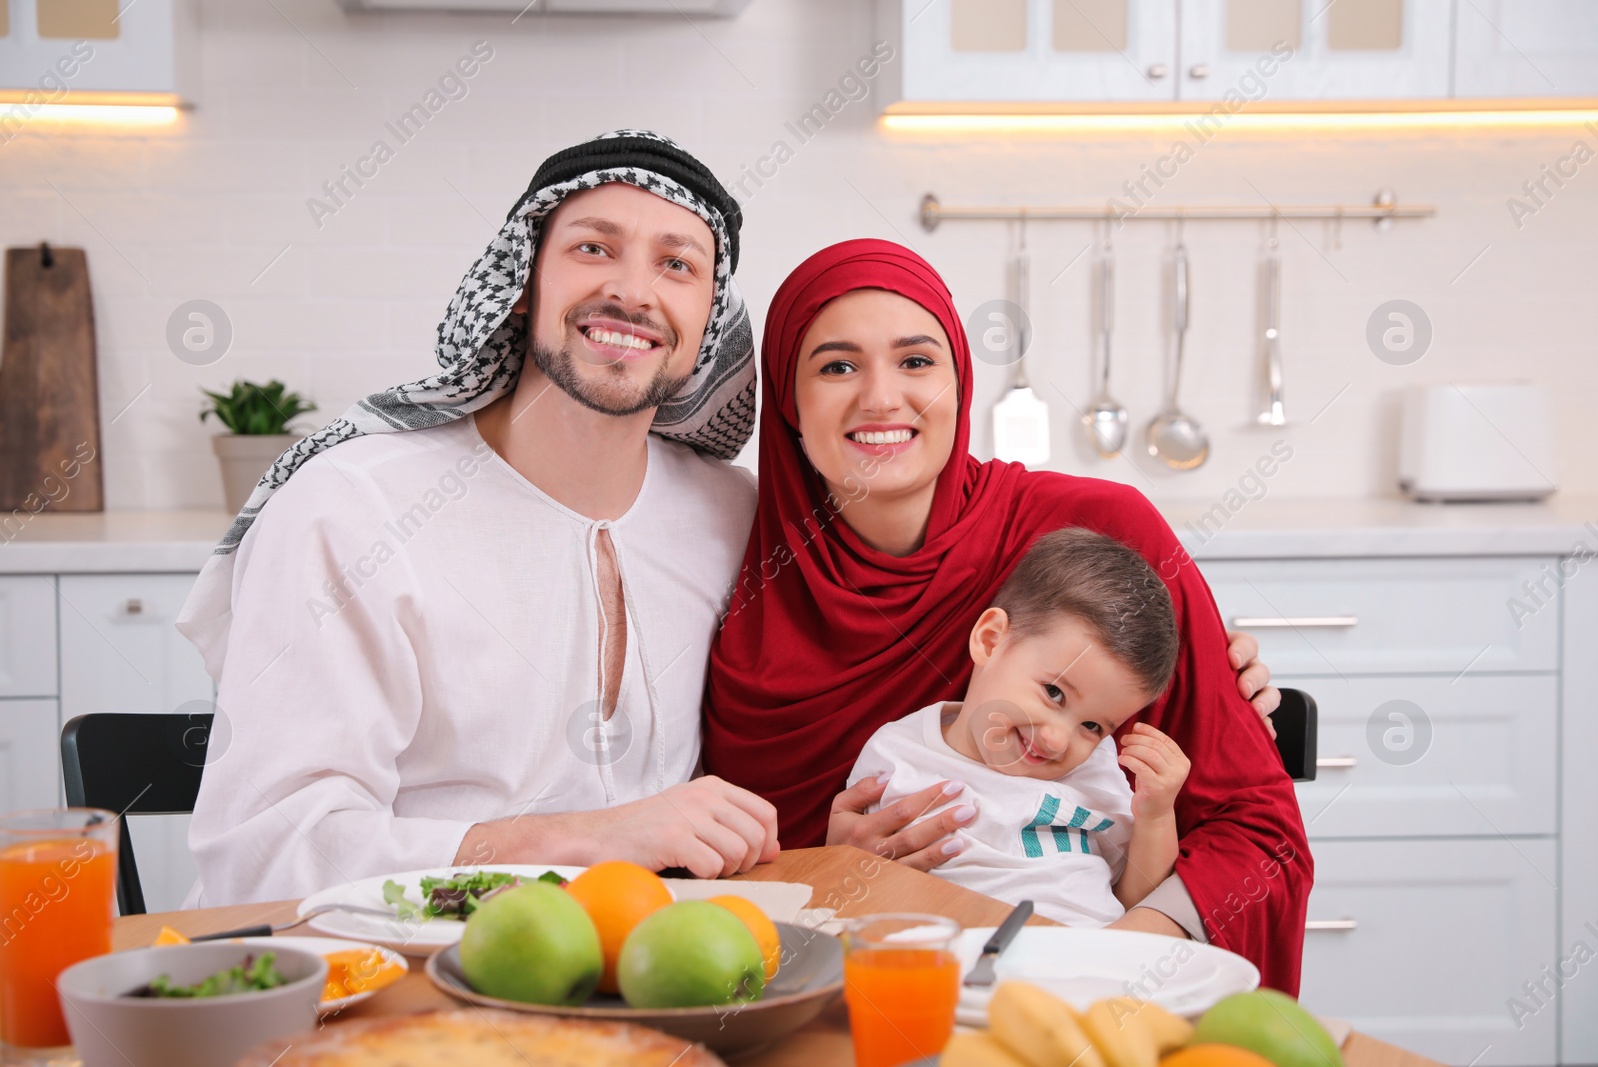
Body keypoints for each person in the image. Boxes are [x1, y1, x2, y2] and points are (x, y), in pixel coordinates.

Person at [176, 131, 781, 906]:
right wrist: (585, 841)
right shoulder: (352, 508)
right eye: (595, 248)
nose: (634, 291)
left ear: (707, 323)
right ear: (523, 283)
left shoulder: (730, 512)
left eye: (677, 264)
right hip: (365, 983)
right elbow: (264, 853)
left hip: (629, 974)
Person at [703, 239, 1311, 993]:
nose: (882, 398)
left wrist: (1107, 962)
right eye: (837, 365)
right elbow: (731, 879)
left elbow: (1261, 833)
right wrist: (831, 858)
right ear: (788, 403)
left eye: (917, 361)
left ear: (961, 382)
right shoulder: (738, 579)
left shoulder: (1100, 529)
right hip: (874, 986)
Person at [847, 527, 1189, 927]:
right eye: (1054, 693)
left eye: (1093, 725)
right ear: (990, 640)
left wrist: (1156, 816)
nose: (1057, 739)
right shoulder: (897, 756)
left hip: (1092, 960)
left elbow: (1135, 899)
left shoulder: (1093, 769)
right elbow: (859, 889)